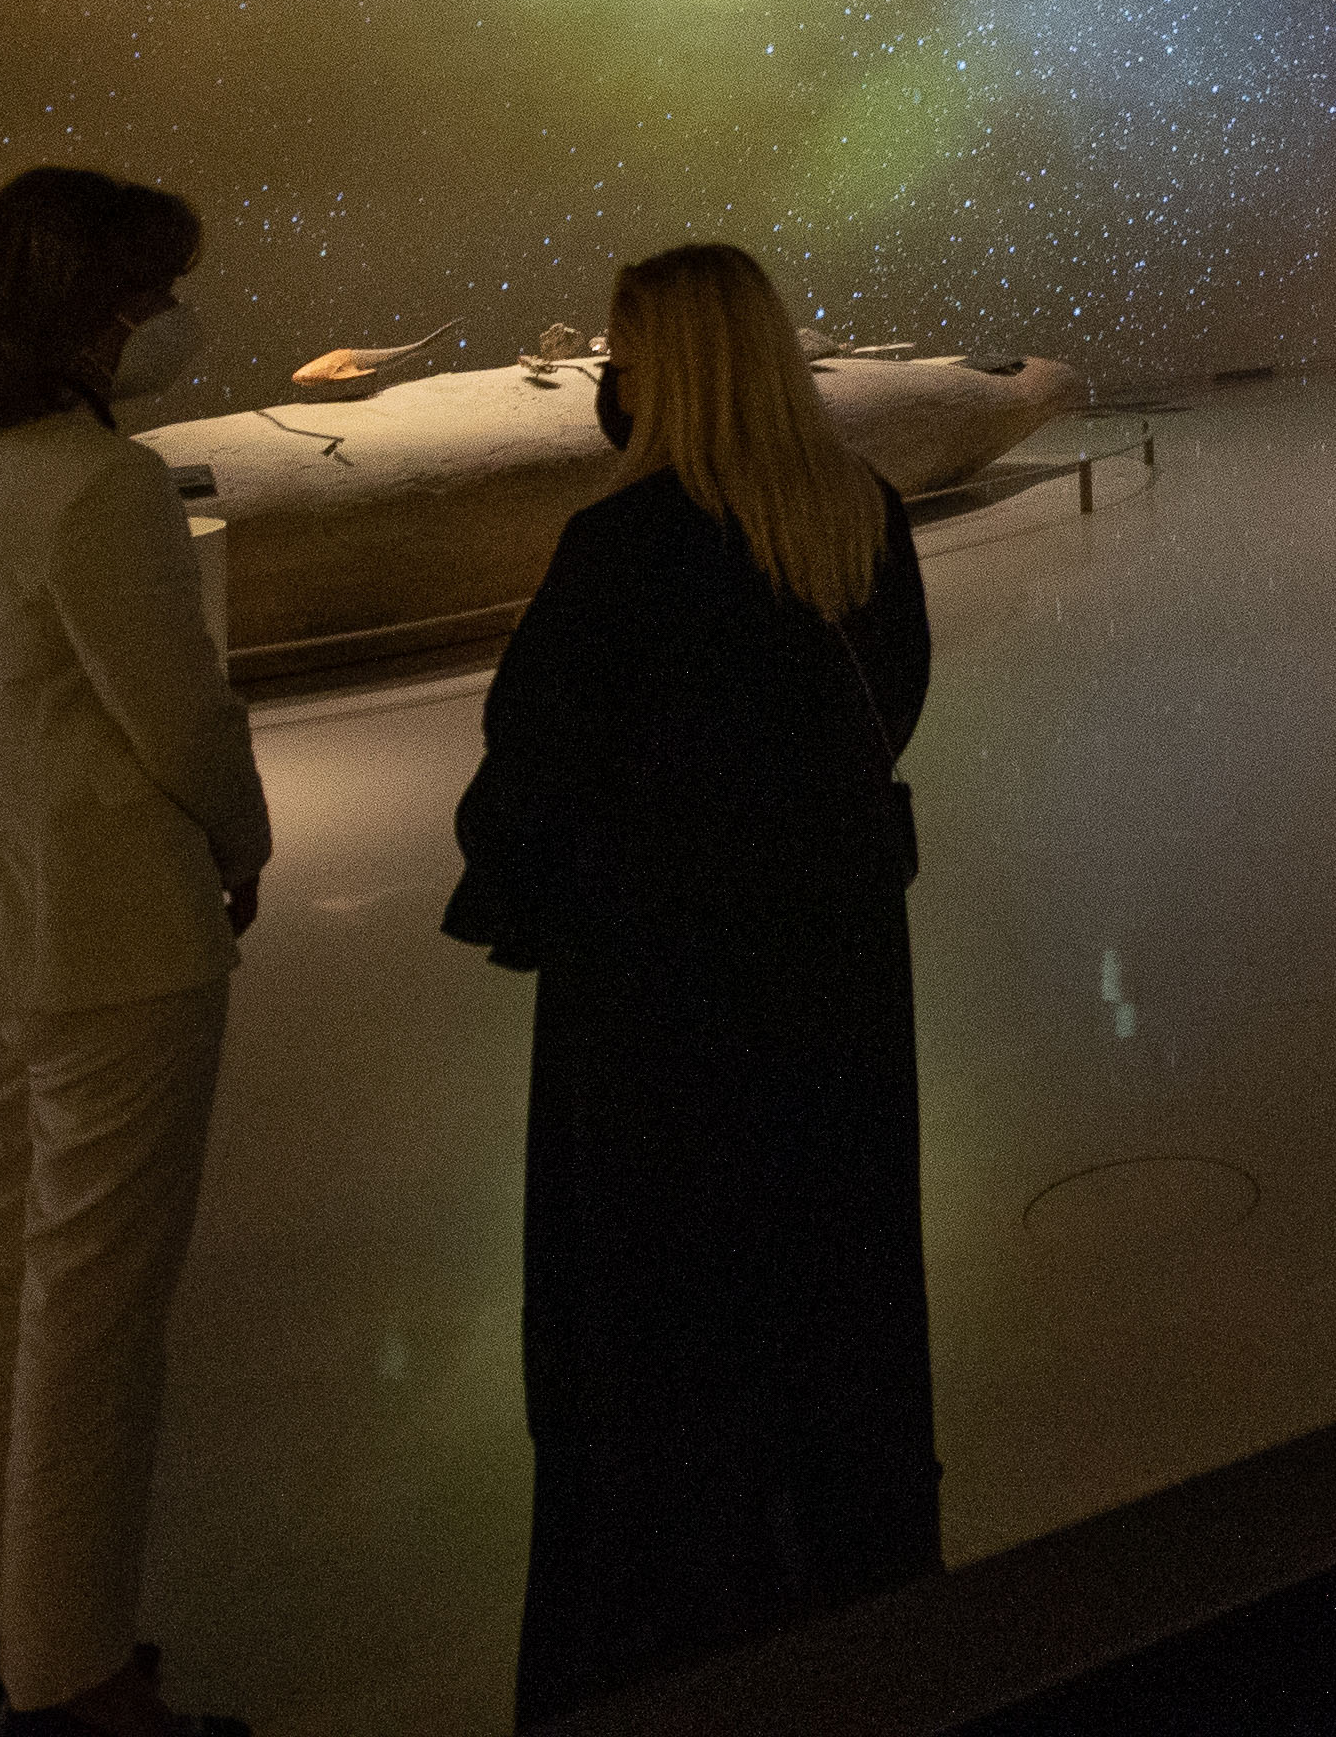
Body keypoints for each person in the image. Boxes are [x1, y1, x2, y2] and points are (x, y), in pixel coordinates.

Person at [449, 240, 940, 1722]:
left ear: (658, 373)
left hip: (656, 1007)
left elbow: (529, 775)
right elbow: (891, 707)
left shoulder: (621, 548)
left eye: (620, 355)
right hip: (837, 975)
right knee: (835, 1297)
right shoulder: (859, 513)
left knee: (658, 1330)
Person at [0, 167, 272, 1737]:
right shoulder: (99, 485)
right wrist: (242, 841)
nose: (169, 319)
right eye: (149, 293)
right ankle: (78, 1676)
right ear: (90, 314)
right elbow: (177, 716)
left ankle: (1, 1620)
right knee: (95, 1314)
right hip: (107, 937)